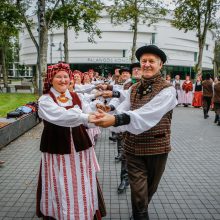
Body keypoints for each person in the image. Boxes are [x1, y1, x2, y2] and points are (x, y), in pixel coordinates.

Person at [91, 45, 177, 220]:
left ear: (160, 65)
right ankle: (140, 216)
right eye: (143, 61)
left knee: (148, 190)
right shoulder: (134, 88)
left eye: (151, 61)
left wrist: (115, 120)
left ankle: (140, 212)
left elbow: (147, 114)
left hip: (156, 148)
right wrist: (107, 112)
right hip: (132, 148)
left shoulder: (168, 90)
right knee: (138, 192)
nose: (146, 64)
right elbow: (124, 107)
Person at [36, 62, 104, 220]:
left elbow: (88, 119)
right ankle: (61, 213)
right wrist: (83, 115)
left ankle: (83, 212)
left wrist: (99, 116)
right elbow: (63, 117)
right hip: (56, 148)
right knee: (59, 181)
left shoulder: (77, 96)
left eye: (66, 76)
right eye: (58, 76)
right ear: (51, 79)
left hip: (80, 148)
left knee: (81, 181)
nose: (63, 80)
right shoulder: (45, 100)